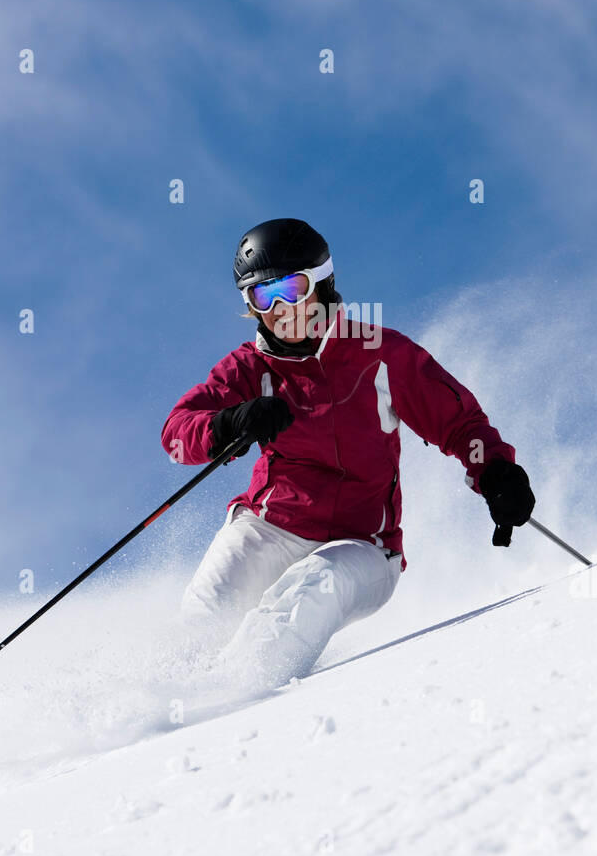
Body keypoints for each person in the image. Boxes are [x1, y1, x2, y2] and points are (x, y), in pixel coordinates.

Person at [161, 217, 534, 691]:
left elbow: (459, 422)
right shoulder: (249, 369)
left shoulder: (380, 354)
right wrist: (229, 423)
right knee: (205, 618)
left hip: (362, 547)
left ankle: (229, 700)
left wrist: (497, 472)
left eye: (292, 288)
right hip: (269, 527)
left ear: (322, 283)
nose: (280, 308)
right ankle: (169, 705)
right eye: (262, 296)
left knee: (314, 589)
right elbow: (176, 435)